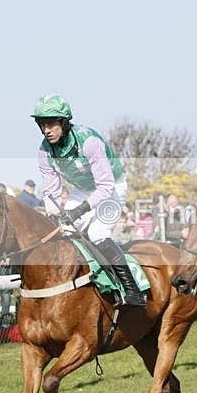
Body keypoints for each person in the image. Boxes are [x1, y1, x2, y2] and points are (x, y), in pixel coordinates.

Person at [33, 94, 146, 306]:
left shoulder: (89, 142)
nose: (46, 130)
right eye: (41, 124)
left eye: (51, 124)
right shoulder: (44, 151)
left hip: (112, 187)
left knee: (97, 233)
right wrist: (53, 214)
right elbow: (51, 190)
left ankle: (133, 291)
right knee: (64, 233)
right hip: (83, 189)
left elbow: (105, 186)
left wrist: (79, 211)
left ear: (64, 122)